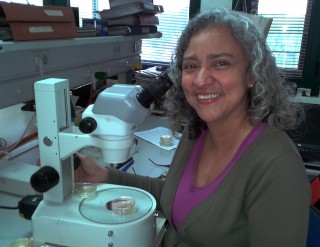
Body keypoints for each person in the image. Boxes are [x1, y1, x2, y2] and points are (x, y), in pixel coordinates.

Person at [75, 7, 311, 246]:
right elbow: (174, 194)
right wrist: (105, 175)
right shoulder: (197, 132)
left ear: (252, 74)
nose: (200, 79)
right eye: (190, 66)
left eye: (220, 63)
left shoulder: (276, 166)